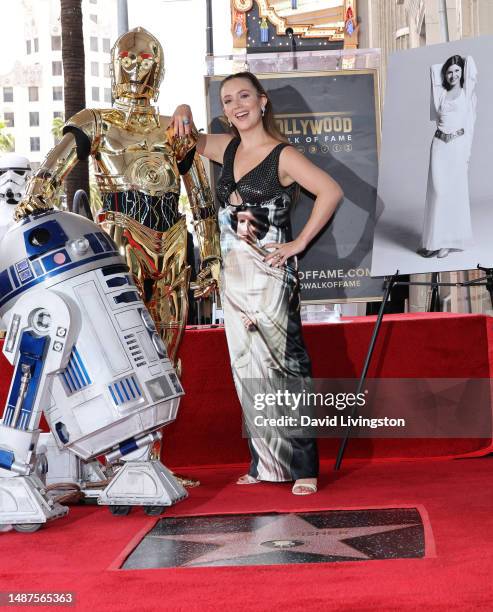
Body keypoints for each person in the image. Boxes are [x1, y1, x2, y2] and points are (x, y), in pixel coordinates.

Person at [172, 72, 343, 495]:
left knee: (286, 368)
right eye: (228, 100)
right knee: (247, 366)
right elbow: (172, 130)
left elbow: (331, 190)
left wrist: (299, 243)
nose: (236, 105)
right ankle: (266, 463)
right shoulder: (223, 148)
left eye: (244, 96)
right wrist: (183, 110)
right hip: (234, 278)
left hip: (271, 277)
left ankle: (303, 467)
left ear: (262, 101)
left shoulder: (281, 155)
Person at [418, 54, 477, 259]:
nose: (453, 75)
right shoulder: (440, 94)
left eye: (457, 71)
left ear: (463, 73)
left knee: (453, 193)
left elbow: (470, 125)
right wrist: (445, 68)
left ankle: (448, 242)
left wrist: (467, 154)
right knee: (438, 192)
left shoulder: (468, 94)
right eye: (450, 71)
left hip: (457, 146)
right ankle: (433, 241)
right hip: (439, 147)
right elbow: (434, 72)